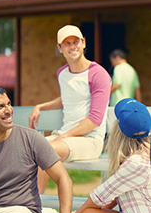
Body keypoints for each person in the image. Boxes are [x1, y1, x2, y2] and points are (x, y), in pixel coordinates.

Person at [29, 25, 111, 194]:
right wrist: (41, 106)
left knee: (46, 149)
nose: (72, 46)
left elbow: (94, 119)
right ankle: (21, 204)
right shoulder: (62, 73)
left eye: (76, 41)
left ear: (83, 43)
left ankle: (33, 207)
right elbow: (67, 99)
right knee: (27, 149)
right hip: (64, 138)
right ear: (60, 48)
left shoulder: (98, 74)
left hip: (90, 140)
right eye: (66, 43)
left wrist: (62, 136)